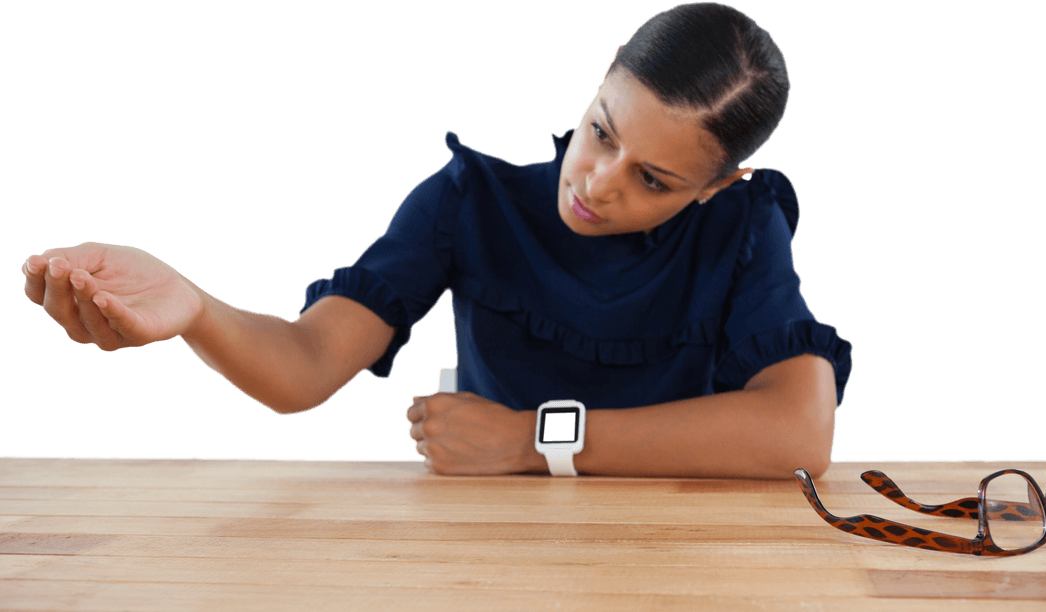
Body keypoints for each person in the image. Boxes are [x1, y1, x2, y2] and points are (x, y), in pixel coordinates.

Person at [21, 2, 852, 480]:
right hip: (491, 560)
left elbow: (799, 434)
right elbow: (306, 369)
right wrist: (196, 308)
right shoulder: (469, 201)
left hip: (681, 561)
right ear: (603, 74)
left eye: (655, 181)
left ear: (717, 188)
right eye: (604, 131)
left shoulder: (745, 225)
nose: (599, 182)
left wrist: (534, 440)